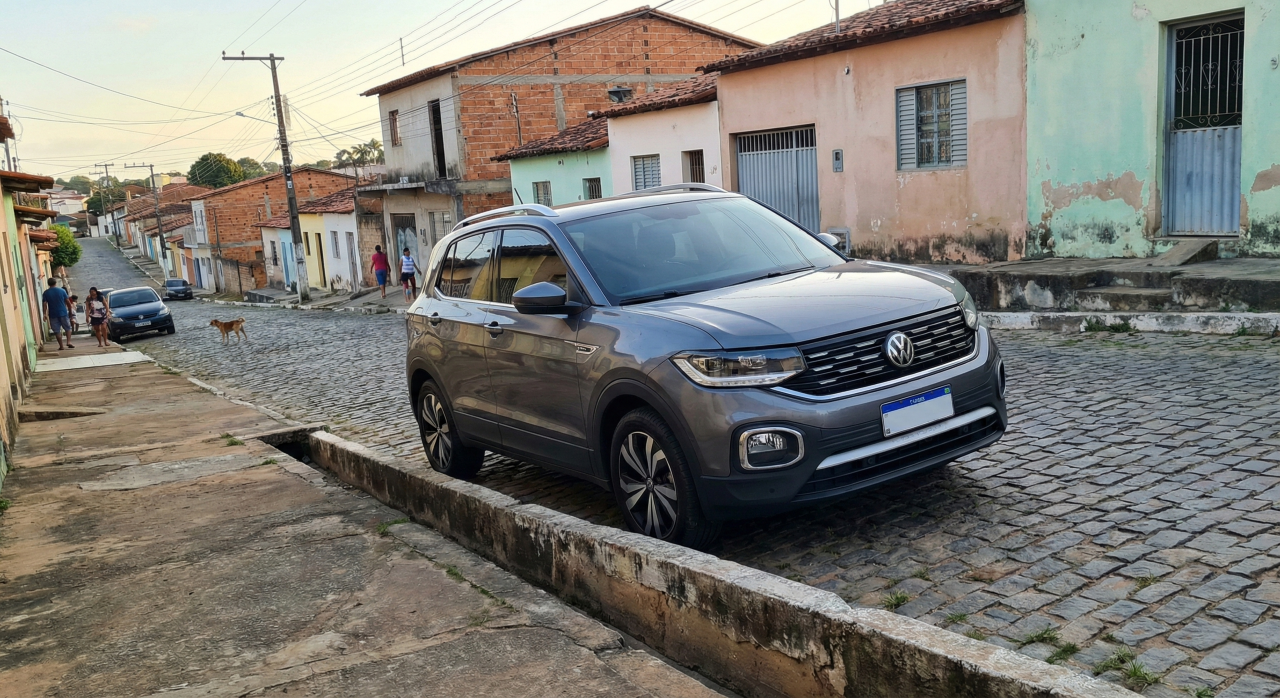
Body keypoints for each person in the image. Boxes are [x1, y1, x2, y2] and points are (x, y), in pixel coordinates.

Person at [41, 278, 74, 350]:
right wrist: (70, 311)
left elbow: (45, 304)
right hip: (63, 312)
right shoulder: (62, 291)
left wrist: (44, 314)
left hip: (53, 314)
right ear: (55, 283)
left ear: (48, 284)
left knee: (57, 331)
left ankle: (61, 346)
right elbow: (68, 302)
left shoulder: (46, 293)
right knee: (68, 328)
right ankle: (68, 342)